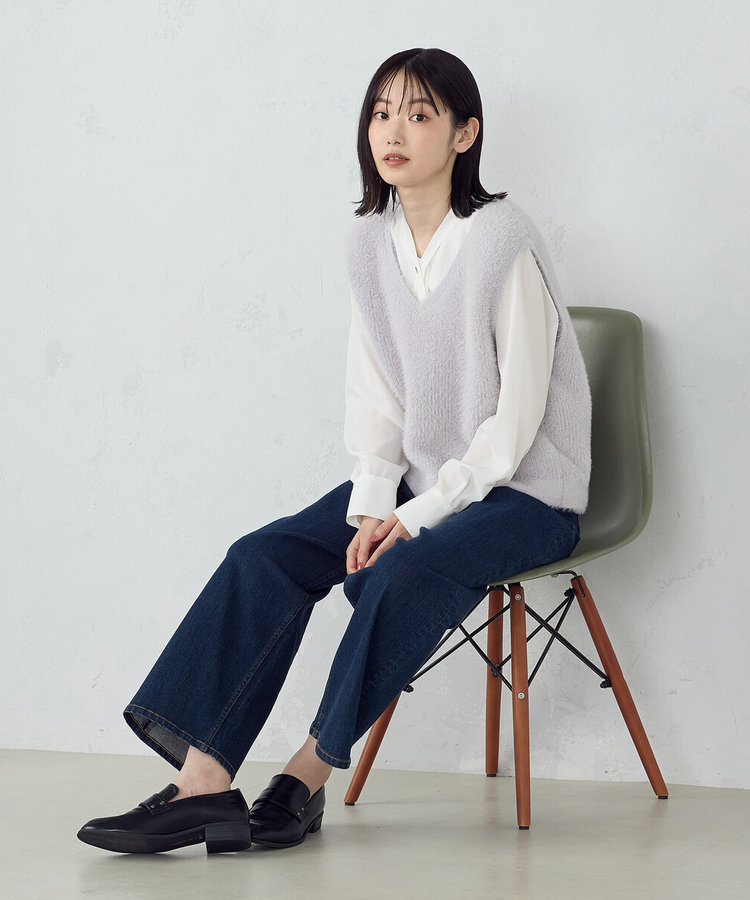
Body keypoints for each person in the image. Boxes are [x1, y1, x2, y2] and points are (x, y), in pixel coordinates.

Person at [77, 46, 591, 855]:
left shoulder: (502, 241)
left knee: (401, 569)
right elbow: (377, 395)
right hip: (425, 477)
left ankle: (303, 779)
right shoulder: (368, 242)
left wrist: (412, 519)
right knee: (265, 555)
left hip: (526, 494)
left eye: (419, 115)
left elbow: (515, 423)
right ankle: (203, 784)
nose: (393, 132)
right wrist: (375, 502)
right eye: (382, 113)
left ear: (465, 134)